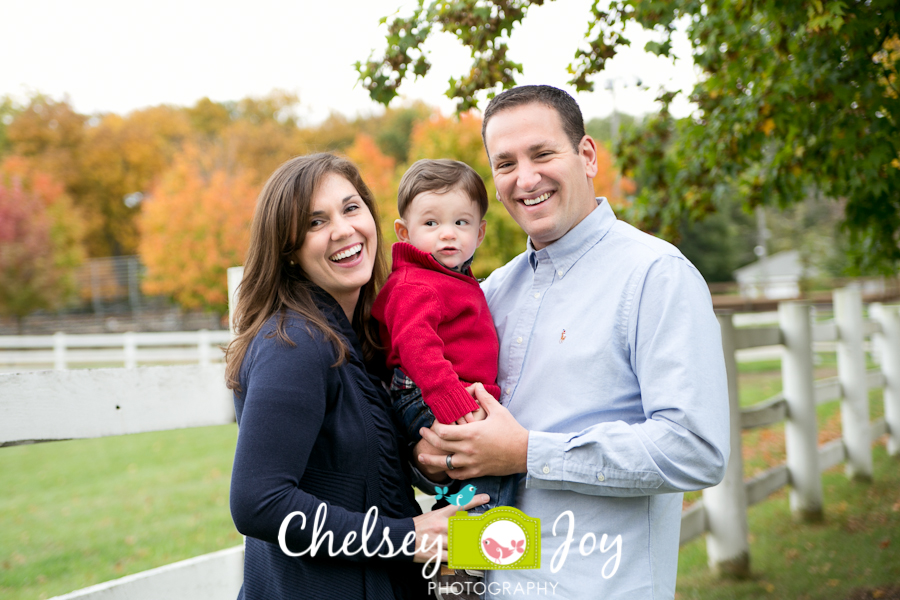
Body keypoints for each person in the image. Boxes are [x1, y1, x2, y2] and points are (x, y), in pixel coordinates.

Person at [416, 86, 730, 599]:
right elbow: (474, 450)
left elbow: (696, 449)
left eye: (542, 154)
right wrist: (437, 456)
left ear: (586, 156)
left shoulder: (655, 275)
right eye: (506, 164)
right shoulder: (489, 293)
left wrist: (528, 452)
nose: (526, 178)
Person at [226, 153, 488, 600]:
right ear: (287, 251)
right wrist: (408, 536)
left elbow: (365, 482)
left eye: (351, 208)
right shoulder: (294, 344)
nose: (344, 229)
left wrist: (437, 462)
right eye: (315, 222)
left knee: (507, 541)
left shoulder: (359, 341)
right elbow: (257, 502)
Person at [372, 159, 519, 514]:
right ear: (404, 232)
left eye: (461, 222)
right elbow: (416, 346)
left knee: (471, 479)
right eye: (431, 223)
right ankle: (467, 562)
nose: (448, 233)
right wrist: (452, 401)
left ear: (480, 233)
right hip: (428, 394)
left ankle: (452, 534)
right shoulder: (414, 284)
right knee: (490, 474)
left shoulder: (455, 279)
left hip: (449, 394)